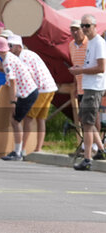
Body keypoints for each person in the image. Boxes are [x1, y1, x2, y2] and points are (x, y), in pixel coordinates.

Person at [0, 37, 38, 161]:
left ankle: (18, 152)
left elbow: (12, 82)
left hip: (27, 94)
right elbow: (10, 72)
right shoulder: (9, 58)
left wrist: (13, 101)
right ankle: (17, 150)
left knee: (15, 121)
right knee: (15, 120)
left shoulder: (8, 61)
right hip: (29, 92)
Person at [7, 34, 58, 153]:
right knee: (41, 119)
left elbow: (29, 76)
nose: (8, 48)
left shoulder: (22, 57)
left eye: (10, 45)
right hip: (50, 87)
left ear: (18, 47)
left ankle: (22, 149)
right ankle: (37, 148)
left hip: (40, 89)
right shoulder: (28, 54)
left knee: (28, 118)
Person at [69, 14, 106, 170]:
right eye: (82, 26)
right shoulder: (91, 42)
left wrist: (81, 70)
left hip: (94, 87)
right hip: (89, 86)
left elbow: (101, 67)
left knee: (88, 123)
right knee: (88, 122)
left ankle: (87, 158)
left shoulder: (98, 43)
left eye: (87, 26)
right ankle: (101, 151)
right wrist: (80, 70)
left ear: (95, 26)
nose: (84, 29)